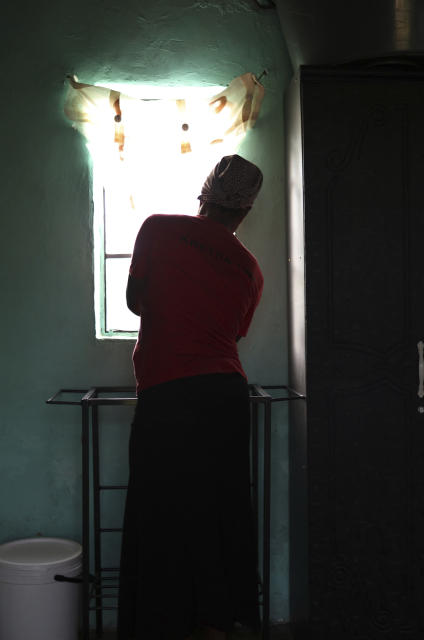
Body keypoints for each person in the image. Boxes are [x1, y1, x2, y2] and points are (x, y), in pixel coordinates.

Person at [117, 154, 265, 640]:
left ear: (202, 195)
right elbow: (231, 334)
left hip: (167, 393)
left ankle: (159, 626)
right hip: (225, 396)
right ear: (245, 212)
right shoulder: (249, 268)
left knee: (159, 513)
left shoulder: (157, 229)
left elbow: (137, 301)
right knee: (220, 513)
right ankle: (218, 623)